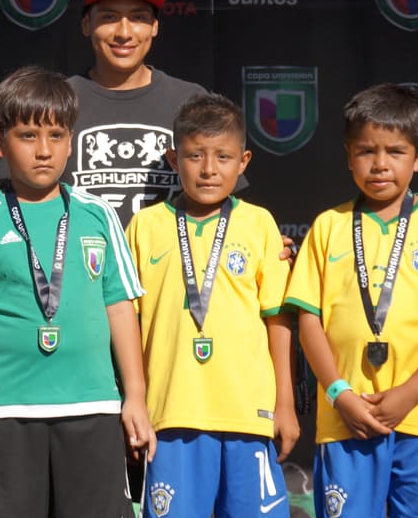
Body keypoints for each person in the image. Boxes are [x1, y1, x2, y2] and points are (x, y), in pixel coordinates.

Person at [0, 65, 155, 517]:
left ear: (71, 142)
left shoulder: (99, 215)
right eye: (28, 136)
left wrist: (135, 395)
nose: (43, 150)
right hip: (3, 413)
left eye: (56, 135)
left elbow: (120, 309)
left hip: (93, 406)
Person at [288, 83, 418, 518]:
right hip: (346, 417)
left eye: (396, 151)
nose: (380, 164)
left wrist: (411, 392)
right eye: (366, 151)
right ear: (348, 156)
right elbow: (308, 320)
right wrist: (339, 393)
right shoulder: (328, 226)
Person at [125, 93, 299, 517]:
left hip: (248, 414)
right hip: (170, 416)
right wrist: (134, 400)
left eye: (223, 157)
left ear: (243, 162)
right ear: (173, 159)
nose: (208, 169)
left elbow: (277, 320)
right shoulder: (144, 226)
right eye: (195, 155)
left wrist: (285, 403)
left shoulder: (259, 223)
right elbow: (126, 324)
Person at [0, 0, 208, 228]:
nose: (124, 33)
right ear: (86, 25)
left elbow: (223, 200)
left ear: (154, 26)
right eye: (109, 17)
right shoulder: (56, 100)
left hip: (172, 256)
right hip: (73, 255)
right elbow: (12, 200)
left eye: (138, 18)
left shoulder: (191, 101)